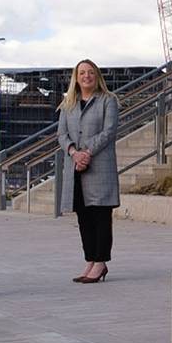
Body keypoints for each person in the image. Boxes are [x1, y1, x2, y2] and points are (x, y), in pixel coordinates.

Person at [58, 59, 121, 284]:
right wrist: (74, 152)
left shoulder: (108, 100)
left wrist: (86, 152)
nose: (86, 76)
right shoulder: (68, 103)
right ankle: (90, 259)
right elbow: (61, 135)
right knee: (84, 216)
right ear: (76, 76)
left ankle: (101, 262)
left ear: (97, 76)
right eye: (82, 73)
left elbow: (110, 131)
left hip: (99, 166)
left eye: (90, 72)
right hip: (76, 167)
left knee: (101, 215)